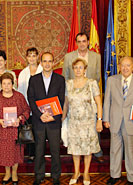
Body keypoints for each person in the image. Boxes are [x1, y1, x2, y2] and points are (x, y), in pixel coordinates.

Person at [103, 56, 133, 185]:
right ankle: (114, 175)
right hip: (115, 121)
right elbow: (107, 100)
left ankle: (131, 178)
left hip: (132, 123)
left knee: (131, 152)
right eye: (122, 65)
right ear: (119, 66)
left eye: (128, 65)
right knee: (114, 150)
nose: (125, 68)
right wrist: (106, 118)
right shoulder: (112, 80)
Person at [63, 32, 104, 163]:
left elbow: (97, 76)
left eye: (84, 41)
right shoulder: (69, 57)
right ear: (76, 43)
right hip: (73, 96)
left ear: (88, 42)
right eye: (79, 41)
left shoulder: (96, 56)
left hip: (90, 95)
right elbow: (65, 75)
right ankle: (76, 152)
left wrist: (87, 88)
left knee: (92, 128)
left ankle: (96, 151)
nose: (82, 44)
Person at [62, 58, 103, 185]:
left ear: (85, 69)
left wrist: (99, 120)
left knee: (87, 149)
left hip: (88, 122)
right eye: (76, 67)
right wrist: (62, 119)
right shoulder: (68, 83)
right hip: (73, 122)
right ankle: (76, 172)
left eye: (81, 67)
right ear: (73, 69)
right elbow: (66, 104)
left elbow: (99, 103)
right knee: (75, 148)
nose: (78, 70)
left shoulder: (92, 83)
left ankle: (86, 173)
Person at [27, 52, 65, 185]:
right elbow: (31, 99)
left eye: (50, 61)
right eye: (45, 61)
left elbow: (61, 100)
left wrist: (53, 116)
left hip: (54, 122)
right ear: (41, 63)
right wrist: (40, 115)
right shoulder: (34, 79)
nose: (47, 64)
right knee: (39, 150)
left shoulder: (60, 79)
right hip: (39, 121)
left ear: (53, 62)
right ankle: (39, 175)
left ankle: (56, 176)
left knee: (55, 150)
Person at [0, 72, 30, 185]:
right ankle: (7, 173)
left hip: (15, 131)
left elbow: (27, 110)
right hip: (2, 131)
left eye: (8, 83)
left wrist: (20, 119)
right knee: (5, 154)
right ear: (1, 84)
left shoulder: (19, 96)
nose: (6, 86)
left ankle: (14, 173)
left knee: (15, 154)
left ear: (13, 84)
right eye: (4, 83)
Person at [18, 47, 43, 163]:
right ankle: (32, 154)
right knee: (30, 131)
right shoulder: (23, 73)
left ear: (37, 57)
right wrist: (24, 108)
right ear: (26, 58)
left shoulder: (43, 70)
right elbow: (21, 92)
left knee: (41, 132)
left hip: (42, 107)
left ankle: (40, 153)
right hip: (28, 107)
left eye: (34, 55)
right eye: (29, 56)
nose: (32, 58)